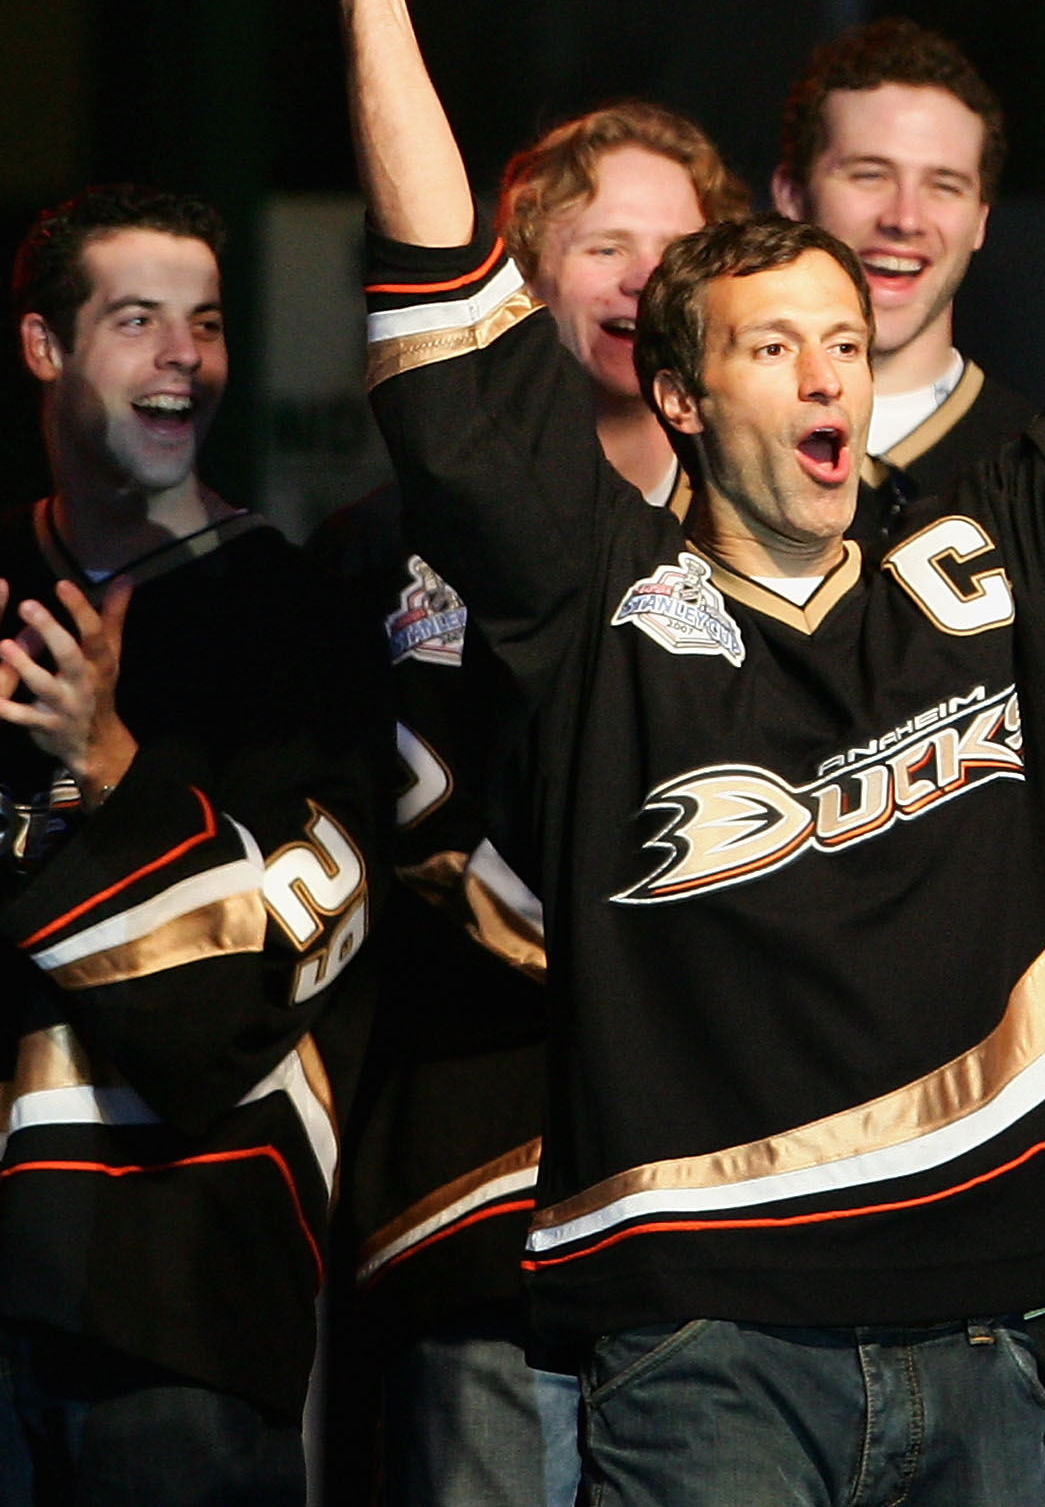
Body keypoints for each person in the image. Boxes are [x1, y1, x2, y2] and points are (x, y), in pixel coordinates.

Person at [269, 0, 1045, 1506]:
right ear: (673, 392)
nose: (825, 370)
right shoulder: (603, 599)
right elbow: (449, 319)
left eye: (841, 343)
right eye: (767, 345)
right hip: (705, 1346)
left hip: (981, 1335)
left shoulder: (996, 557)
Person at [0, 185, 391, 1507]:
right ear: (45, 349)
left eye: (207, 324)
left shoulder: (296, 612)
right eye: (138, 319)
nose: (183, 356)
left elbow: (240, 998)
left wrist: (106, 766)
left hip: (190, 1289)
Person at [316, 108, 747, 1507]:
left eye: (673, 248)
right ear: (518, 280)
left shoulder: (784, 541)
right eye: (599, 244)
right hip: (477, 1170)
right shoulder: (381, 543)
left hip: (715, 1196)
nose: (637, 278)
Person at [772, 18, 1035, 540]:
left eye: (945, 185)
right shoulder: (699, 443)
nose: (905, 218)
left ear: (981, 220)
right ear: (792, 197)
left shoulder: (1042, 465)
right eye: (870, 175)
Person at [502, 102, 748, 504]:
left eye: (675, 254)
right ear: (527, 276)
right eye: (607, 250)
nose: (646, 282)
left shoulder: (772, 513)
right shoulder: (452, 508)